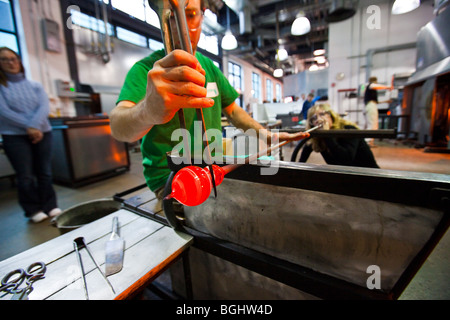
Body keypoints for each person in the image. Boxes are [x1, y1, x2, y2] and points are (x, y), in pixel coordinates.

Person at [110, 0, 308, 199]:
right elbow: (118, 127)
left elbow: (232, 110)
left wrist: (265, 134)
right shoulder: (146, 71)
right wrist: (147, 111)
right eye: (171, 16)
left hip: (212, 168)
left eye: (190, 14)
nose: (181, 26)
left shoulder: (209, 67)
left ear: (202, 15)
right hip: (171, 179)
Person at [0, 47, 61, 223]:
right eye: (5, 59)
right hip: (15, 135)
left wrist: (34, 126)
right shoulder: (2, 88)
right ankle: (33, 209)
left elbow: (44, 107)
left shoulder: (35, 86)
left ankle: (50, 205)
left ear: (19, 61)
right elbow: (3, 111)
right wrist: (30, 127)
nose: (11, 62)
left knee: (45, 172)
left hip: (43, 132)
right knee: (25, 175)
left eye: (13, 58)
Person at [299, 103, 379, 168]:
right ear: (311, 124)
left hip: (368, 176)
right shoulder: (318, 137)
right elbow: (303, 157)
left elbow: (345, 160)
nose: (319, 120)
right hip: (345, 177)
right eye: (314, 118)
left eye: (322, 114)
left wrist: (327, 134)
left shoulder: (348, 130)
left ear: (331, 115)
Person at [364, 76, 391, 147]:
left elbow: (376, 102)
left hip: (372, 105)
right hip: (371, 106)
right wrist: (387, 87)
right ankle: (367, 142)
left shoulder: (372, 90)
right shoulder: (370, 85)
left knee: (374, 125)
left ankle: (370, 141)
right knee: (372, 124)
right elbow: (374, 86)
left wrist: (386, 101)